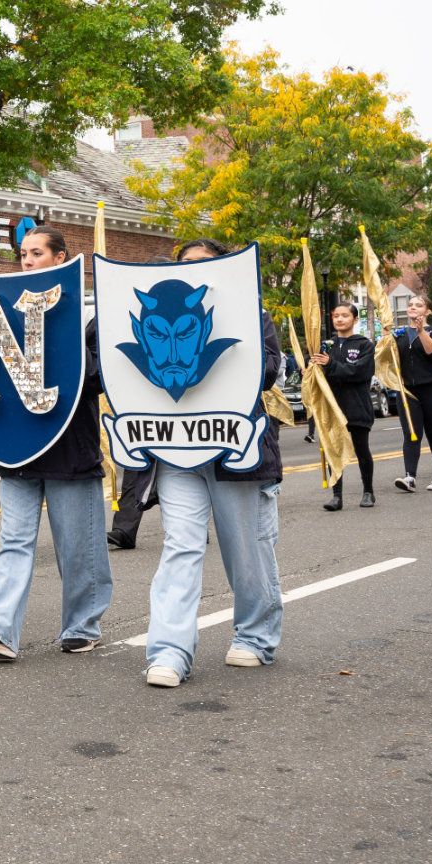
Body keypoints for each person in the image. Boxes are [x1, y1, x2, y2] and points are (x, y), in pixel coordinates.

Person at [0, 227, 112, 660]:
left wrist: (64, 350)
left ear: (60, 257)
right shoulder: (4, 308)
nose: (26, 261)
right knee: (14, 542)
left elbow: (101, 377)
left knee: (78, 547)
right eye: (23, 254)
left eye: (36, 253)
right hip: (18, 446)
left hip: (70, 447)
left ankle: (83, 624)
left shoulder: (86, 314)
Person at [142, 237, 283, 689]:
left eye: (205, 265)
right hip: (176, 448)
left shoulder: (254, 312)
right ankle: (168, 650)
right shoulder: (153, 317)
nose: (195, 272)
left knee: (245, 547)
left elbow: (268, 370)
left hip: (233, 447)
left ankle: (255, 635)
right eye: (187, 265)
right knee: (180, 545)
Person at [107, 255, 176, 550]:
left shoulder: (183, 313)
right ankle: (124, 530)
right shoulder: (129, 311)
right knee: (136, 463)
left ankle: (187, 524)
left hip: (177, 405)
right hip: (140, 403)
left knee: (180, 469)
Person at [312, 302, 377, 509]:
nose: (339, 319)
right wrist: (311, 368)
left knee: (361, 450)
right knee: (334, 451)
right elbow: (319, 372)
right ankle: (337, 496)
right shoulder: (326, 345)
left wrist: (330, 364)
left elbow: (358, 372)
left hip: (356, 405)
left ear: (355, 319)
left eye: (345, 316)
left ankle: (368, 491)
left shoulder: (364, 345)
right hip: (332, 406)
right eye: (336, 316)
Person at [390, 295, 432, 493]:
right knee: (411, 434)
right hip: (407, 389)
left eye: (418, 305)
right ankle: (410, 477)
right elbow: (387, 359)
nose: (413, 308)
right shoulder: (398, 334)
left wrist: (421, 332)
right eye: (410, 305)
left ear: (427, 311)